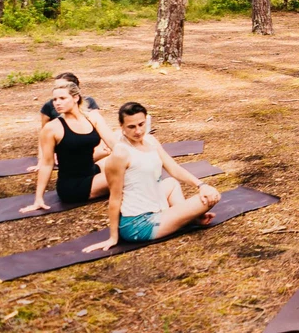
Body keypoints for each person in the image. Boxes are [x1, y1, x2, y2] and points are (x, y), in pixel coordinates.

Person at [82, 102, 221, 252]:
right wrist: (113, 237)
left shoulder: (150, 140)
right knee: (211, 198)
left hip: (155, 205)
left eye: (141, 124)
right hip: (139, 224)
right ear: (121, 126)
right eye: (131, 127)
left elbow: (174, 168)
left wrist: (201, 185)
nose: (138, 131)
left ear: (146, 120)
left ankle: (189, 218)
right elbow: (115, 198)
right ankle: (187, 218)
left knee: (172, 183)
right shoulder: (120, 154)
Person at [21, 81, 122, 212]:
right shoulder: (52, 128)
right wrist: (38, 199)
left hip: (92, 170)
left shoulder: (92, 118)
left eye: (62, 98)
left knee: (123, 161)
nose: (57, 103)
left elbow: (115, 145)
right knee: (124, 174)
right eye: (55, 99)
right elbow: (47, 164)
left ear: (76, 98)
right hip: (73, 186)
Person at [28, 72, 106, 171]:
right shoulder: (49, 106)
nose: (58, 90)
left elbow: (99, 129)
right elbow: (43, 135)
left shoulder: (89, 102)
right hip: (65, 148)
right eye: (56, 87)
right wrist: (42, 159)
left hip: (88, 146)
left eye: (61, 86)